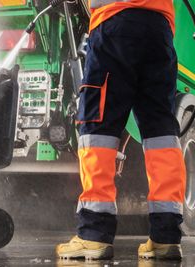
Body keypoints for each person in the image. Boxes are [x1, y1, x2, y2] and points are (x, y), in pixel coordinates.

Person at [56, 0, 186, 260]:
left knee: (98, 131)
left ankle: (93, 234)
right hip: (159, 29)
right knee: (161, 131)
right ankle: (166, 237)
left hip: (114, 23)